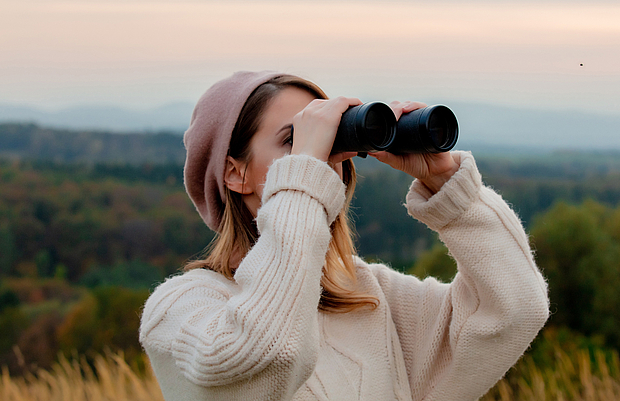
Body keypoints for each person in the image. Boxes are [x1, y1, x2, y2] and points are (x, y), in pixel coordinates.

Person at [139, 71, 549, 401]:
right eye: (293, 142)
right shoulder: (181, 309)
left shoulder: (370, 295)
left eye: (328, 142)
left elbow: (514, 310)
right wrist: (303, 180)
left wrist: (451, 190)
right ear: (234, 173)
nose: (318, 160)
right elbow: (266, 356)